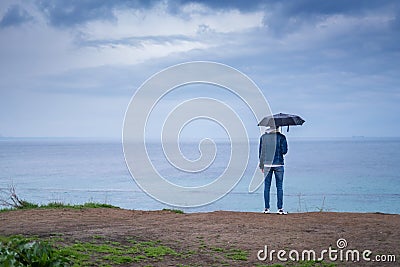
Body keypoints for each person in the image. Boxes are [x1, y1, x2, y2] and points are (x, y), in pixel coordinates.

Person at [259, 126, 288, 215]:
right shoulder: (282, 137)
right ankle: (280, 209)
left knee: (267, 187)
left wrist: (261, 165)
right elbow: (284, 151)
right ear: (278, 128)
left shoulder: (263, 137)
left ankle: (266, 209)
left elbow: (261, 152)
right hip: (279, 164)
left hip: (267, 164)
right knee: (279, 187)